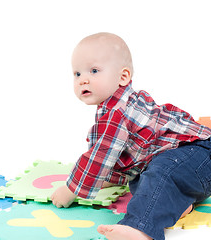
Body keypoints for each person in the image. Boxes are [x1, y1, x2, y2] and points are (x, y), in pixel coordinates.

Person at [50, 32, 211, 240]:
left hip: (198, 153)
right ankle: (176, 204)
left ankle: (140, 229)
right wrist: (107, 178)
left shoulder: (119, 111)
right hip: (192, 169)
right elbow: (127, 156)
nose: (83, 80)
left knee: (161, 172)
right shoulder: (113, 109)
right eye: (77, 74)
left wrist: (72, 189)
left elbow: (101, 155)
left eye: (94, 70)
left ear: (123, 76)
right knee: (140, 181)